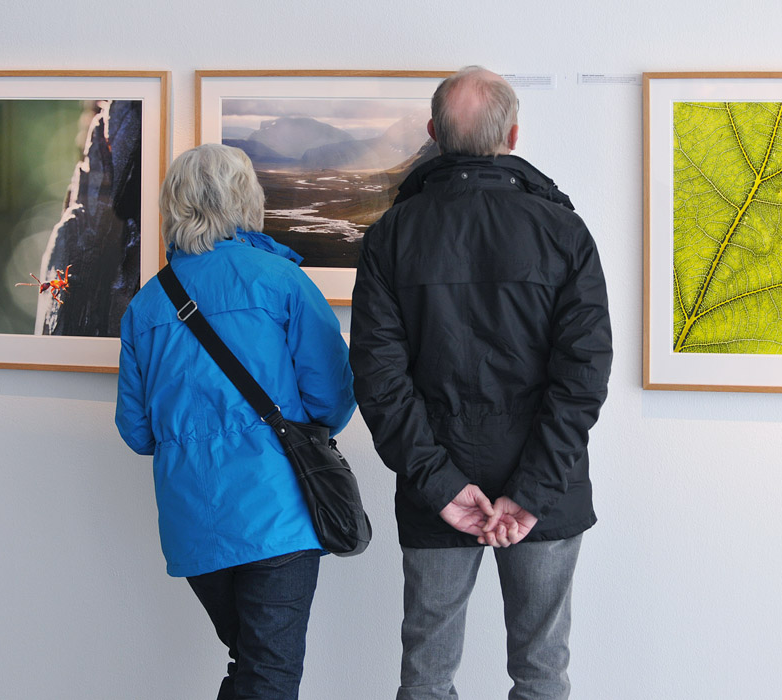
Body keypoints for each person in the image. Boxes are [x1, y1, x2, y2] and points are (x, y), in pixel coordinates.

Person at [350, 66, 613, 699]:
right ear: (513, 135)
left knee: (427, 675)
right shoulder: (563, 231)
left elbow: (379, 381)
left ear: (435, 134)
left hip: (435, 491)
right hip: (546, 494)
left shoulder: (391, 235)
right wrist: (533, 491)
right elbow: (583, 376)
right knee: (542, 669)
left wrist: (441, 487)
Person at [115, 143, 355, 699]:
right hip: (278, 511)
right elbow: (333, 398)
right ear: (247, 201)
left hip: (193, 520)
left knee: (249, 664)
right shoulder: (282, 282)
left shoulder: (148, 305)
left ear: (174, 206)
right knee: (269, 675)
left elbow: (136, 431)